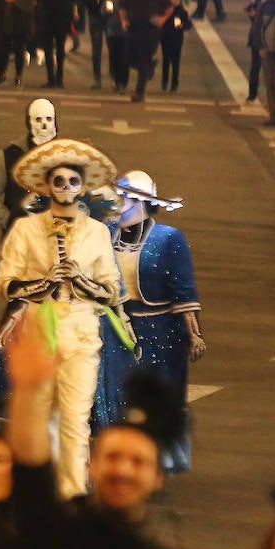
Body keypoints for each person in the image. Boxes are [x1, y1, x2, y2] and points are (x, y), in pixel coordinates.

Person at [3, 314, 202, 549]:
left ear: (158, 476)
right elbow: (31, 475)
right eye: (112, 457)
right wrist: (29, 392)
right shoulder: (58, 540)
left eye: (137, 461)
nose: (122, 469)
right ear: (91, 466)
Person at [0, 138, 119, 498]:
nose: (66, 188)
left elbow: (111, 289)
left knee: (75, 421)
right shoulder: (25, 229)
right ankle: (31, 499)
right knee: (34, 420)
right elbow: (8, 284)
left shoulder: (97, 232)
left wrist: (81, 280)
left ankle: (73, 497)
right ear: (46, 187)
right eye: (59, 182)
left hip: (81, 333)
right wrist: (42, 282)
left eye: (73, 182)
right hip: (37, 331)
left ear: (83, 189)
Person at [94, 171, 204, 472]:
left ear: (142, 202)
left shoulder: (169, 238)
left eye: (125, 198)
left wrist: (194, 334)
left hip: (161, 332)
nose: (118, 205)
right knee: (114, 393)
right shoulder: (105, 232)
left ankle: (159, 457)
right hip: (116, 327)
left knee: (159, 397)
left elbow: (184, 290)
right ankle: (116, 455)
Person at [0, 98, 59, 235]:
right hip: (19, 237)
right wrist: (8, 220)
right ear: (29, 122)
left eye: (48, 119)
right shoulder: (10, 155)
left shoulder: (67, 154)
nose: (44, 125)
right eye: (38, 120)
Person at [123, 0, 174, 103]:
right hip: (134, 29)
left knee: (143, 59)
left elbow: (169, 7)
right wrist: (124, 20)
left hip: (150, 32)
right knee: (129, 57)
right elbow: (123, 6)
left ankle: (140, 92)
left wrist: (163, 19)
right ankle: (149, 67)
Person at [161, 0, 192, 92]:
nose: (174, 1)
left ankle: (174, 84)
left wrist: (182, 25)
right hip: (165, 38)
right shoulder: (165, 10)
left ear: (179, 0)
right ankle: (164, 82)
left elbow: (188, 24)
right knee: (166, 61)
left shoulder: (182, 12)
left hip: (177, 39)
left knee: (175, 62)